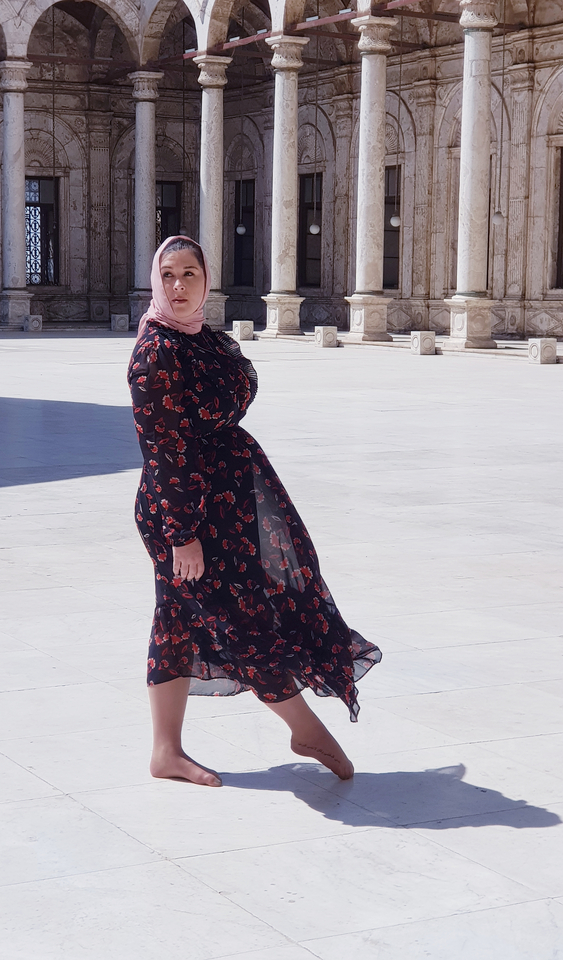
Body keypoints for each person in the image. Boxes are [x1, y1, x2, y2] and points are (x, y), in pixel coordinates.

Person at [128, 236, 381, 787]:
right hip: (184, 513)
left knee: (178, 617)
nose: (177, 286)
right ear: (155, 280)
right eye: (167, 275)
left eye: (189, 274)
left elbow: (233, 395)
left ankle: (165, 752)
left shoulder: (204, 340)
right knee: (238, 617)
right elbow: (166, 451)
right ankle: (302, 724)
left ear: (206, 279)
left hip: (222, 505)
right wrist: (183, 534)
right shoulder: (156, 353)